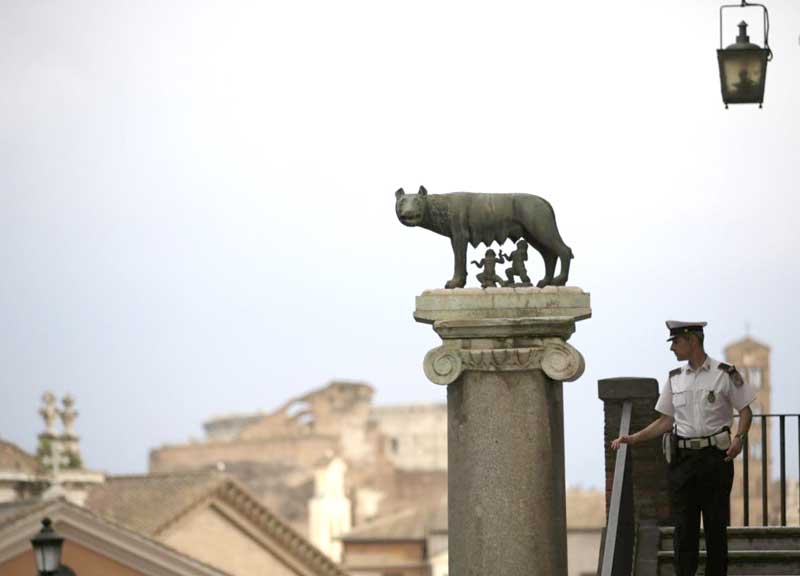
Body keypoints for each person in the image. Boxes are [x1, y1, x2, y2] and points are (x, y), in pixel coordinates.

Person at [611, 320, 755, 576]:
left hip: (715, 458)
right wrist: (632, 438)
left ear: (692, 340)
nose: (672, 348)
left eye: (676, 342)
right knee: (683, 528)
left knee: (715, 525)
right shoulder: (675, 378)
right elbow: (666, 420)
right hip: (684, 460)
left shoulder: (725, 373)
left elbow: (745, 410)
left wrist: (739, 438)